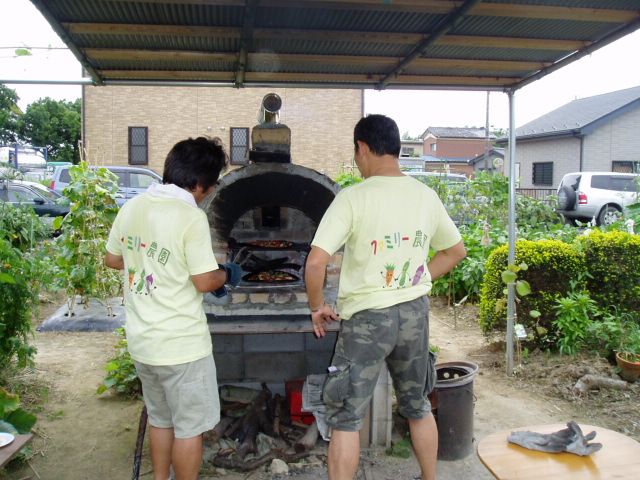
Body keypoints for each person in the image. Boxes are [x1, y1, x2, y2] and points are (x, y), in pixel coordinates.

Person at [305, 114, 467, 480]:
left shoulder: (353, 197)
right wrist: (418, 277)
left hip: (367, 321)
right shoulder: (425, 196)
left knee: (346, 416)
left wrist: (318, 307)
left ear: (363, 148)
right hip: (414, 314)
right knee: (418, 405)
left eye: (356, 152)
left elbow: (315, 263)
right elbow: (455, 251)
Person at [105, 136, 242, 480]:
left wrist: (150, 265)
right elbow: (205, 281)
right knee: (189, 429)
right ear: (198, 184)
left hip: (143, 343)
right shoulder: (189, 216)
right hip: (182, 348)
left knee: (161, 420)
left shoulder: (132, 207)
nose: (211, 190)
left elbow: (113, 259)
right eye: (212, 184)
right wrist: (227, 273)